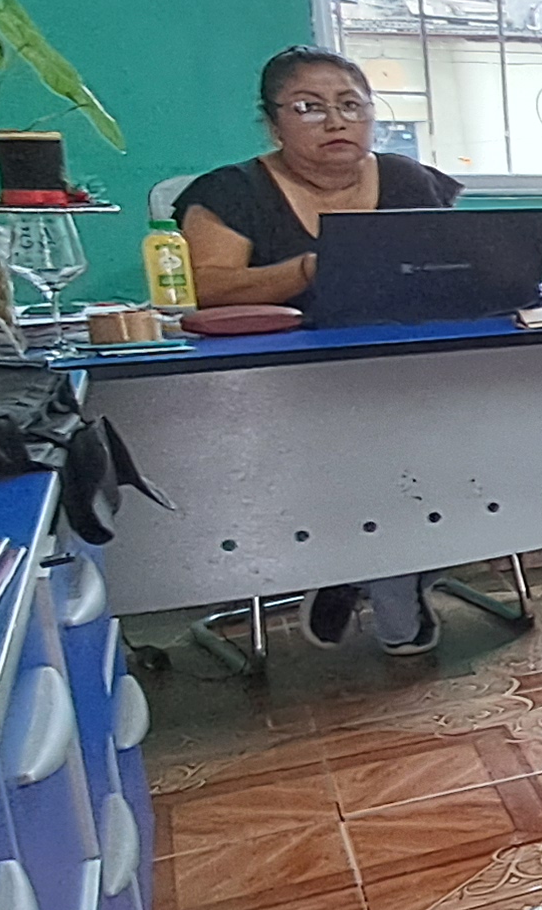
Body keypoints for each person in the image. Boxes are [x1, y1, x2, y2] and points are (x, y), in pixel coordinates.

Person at [176, 48, 462, 656]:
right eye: (309, 108)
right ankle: (387, 585)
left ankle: (350, 569)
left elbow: (447, 269)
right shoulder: (231, 191)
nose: (336, 122)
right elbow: (204, 287)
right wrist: (310, 268)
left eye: (351, 106)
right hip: (276, 384)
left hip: (408, 371)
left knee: (479, 429)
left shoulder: (408, 180)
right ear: (272, 122)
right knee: (378, 440)